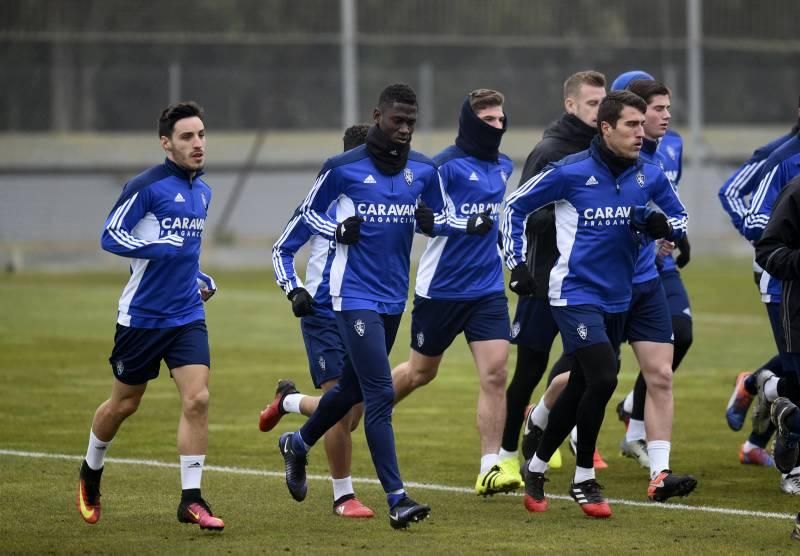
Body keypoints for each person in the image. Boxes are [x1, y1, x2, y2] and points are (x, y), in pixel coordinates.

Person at [502, 91, 688, 518]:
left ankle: (535, 463)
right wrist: (516, 263)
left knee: (586, 381)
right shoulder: (569, 172)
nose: (641, 133)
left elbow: (679, 218)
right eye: (631, 125)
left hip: (623, 295)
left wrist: (665, 226)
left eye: (643, 125)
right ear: (606, 128)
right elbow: (513, 206)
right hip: (574, 294)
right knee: (604, 377)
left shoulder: (649, 174)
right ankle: (584, 475)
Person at [275, 83, 451, 530]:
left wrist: (456, 224)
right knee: (377, 395)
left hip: (391, 298)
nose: (406, 130)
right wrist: (296, 287)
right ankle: (392, 497)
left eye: (412, 122)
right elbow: (291, 235)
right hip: (339, 301)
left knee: (351, 394)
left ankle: (297, 439)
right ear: (378, 119)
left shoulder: (416, 174)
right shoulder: (337, 176)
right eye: (398, 121)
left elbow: (442, 218)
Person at [77, 101, 224, 530]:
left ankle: (192, 499)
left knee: (197, 398)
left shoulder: (204, 191)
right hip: (141, 318)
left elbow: (185, 253)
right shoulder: (147, 187)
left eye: (201, 135)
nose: (197, 144)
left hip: (186, 315)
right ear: (166, 143)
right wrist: (160, 249)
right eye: (186, 137)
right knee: (124, 404)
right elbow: (111, 235)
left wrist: (199, 277)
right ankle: (90, 470)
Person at [388, 89, 515, 495]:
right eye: (489, 120)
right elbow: (422, 220)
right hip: (440, 290)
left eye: (501, 119)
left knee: (496, 373)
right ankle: (359, 408)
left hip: (487, 288)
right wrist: (460, 222)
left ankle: (489, 467)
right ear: (471, 122)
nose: (498, 126)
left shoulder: (504, 166)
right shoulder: (441, 167)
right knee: (420, 373)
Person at [499, 70, 607, 475]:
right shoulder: (550, 152)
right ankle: (506, 455)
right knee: (529, 369)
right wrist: (556, 215)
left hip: (589, 284)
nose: (599, 110)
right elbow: (521, 212)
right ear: (571, 105)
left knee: (590, 364)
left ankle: (545, 421)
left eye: (603, 102)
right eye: (592, 103)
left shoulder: (605, 151)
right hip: (544, 280)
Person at [266, 124, 375, 518]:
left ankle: (289, 403)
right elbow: (281, 249)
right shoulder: (321, 203)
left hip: (364, 311)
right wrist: (295, 290)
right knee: (341, 413)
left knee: (353, 413)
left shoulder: (382, 203)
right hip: (324, 313)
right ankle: (343, 497)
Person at [720, 102, 800, 467]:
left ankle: (757, 421)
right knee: (794, 363)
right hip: (779, 271)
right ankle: (791, 467)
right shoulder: (779, 157)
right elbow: (734, 195)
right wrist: (775, 236)